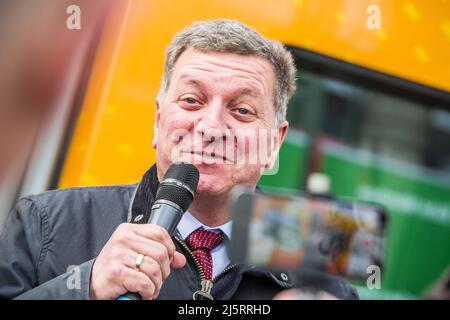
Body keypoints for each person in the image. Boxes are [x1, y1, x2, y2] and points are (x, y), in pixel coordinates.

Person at [0, 19, 358, 300]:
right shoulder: (45, 224)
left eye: (242, 110)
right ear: (158, 121)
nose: (211, 127)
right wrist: (84, 289)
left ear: (274, 144)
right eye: (191, 101)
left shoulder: (317, 261)